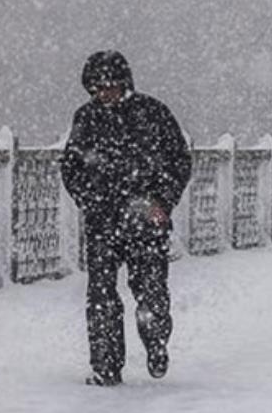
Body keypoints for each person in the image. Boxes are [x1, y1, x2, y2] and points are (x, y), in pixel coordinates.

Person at [60, 51, 193, 386]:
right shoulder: (86, 119)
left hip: (147, 220)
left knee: (150, 290)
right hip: (103, 221)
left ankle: (156, 341)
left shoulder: (153, 113)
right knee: (101, 296)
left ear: (125, 83)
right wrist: (91, 201)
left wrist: (161, 202)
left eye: (110, 85)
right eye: (97, 87)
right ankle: (106, 367)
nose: (105, 93)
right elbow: (71, 168)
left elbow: (178, 160)